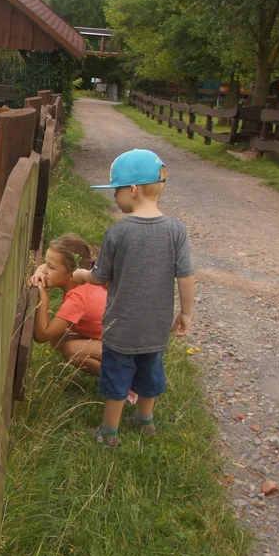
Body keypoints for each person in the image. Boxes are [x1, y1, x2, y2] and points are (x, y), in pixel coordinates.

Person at [71, 148, 195, 447]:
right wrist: (186, 313)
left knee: (118, 376)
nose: (114, 197)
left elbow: (100, 277)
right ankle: (144, 420)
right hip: (156, 324)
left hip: (121, 327)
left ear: (134, 190)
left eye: (116, 191)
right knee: (151, 370)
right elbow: (186, 276)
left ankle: (109, 432)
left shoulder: (118, 232)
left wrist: (79, 275)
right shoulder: (176, 230)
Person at [28, 233, 107, 377]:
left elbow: (41, 335)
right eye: (46, 263)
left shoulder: (77, 299)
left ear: (71, 273)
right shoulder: (81, 280)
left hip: (125, 350)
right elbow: (41, 268)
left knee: (71, 350)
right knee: (58, 337)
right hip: (118, 340)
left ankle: (122, 380)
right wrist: (41, 271)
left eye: (51, 267)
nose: (44, 269)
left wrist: (44, 299)